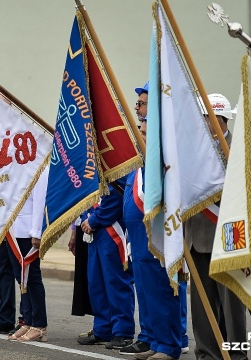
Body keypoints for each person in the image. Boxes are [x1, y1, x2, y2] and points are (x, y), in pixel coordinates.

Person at [119, 82, 186, 360]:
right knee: (147, 291)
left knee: (162, 289)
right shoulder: (143, 154)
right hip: (139, 233)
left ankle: (169, 344)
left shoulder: (164, 153)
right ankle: (155, 341)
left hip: (157, 231)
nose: (142, 136)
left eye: (143, 104)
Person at [185, 93, 247, 360]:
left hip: (229, 235)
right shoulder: (193, 151)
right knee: (202, 304)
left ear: (218, 119)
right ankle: (207, 353)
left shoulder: (238, 150)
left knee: (231, 304)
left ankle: (236, 354)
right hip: (196, 235)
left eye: (204, 118)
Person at [77, 177, 135, 350]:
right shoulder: (90, 161)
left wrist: (94, 219)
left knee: (116, 281)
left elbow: (116, 194)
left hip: (112, 228)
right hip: (96, 227)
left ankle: (122, 331)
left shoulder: (114, 158)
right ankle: (103, 329)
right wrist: (86, 217)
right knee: (97, 283)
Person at [6, 169, 49, 342]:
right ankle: (28, 320)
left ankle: (39, 325)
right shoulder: (15, 165)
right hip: (13, 228)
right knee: (20, 278)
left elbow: (40, 201)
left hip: (28, 230)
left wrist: (37, 232)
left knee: (32, 278)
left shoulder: (39, 165)